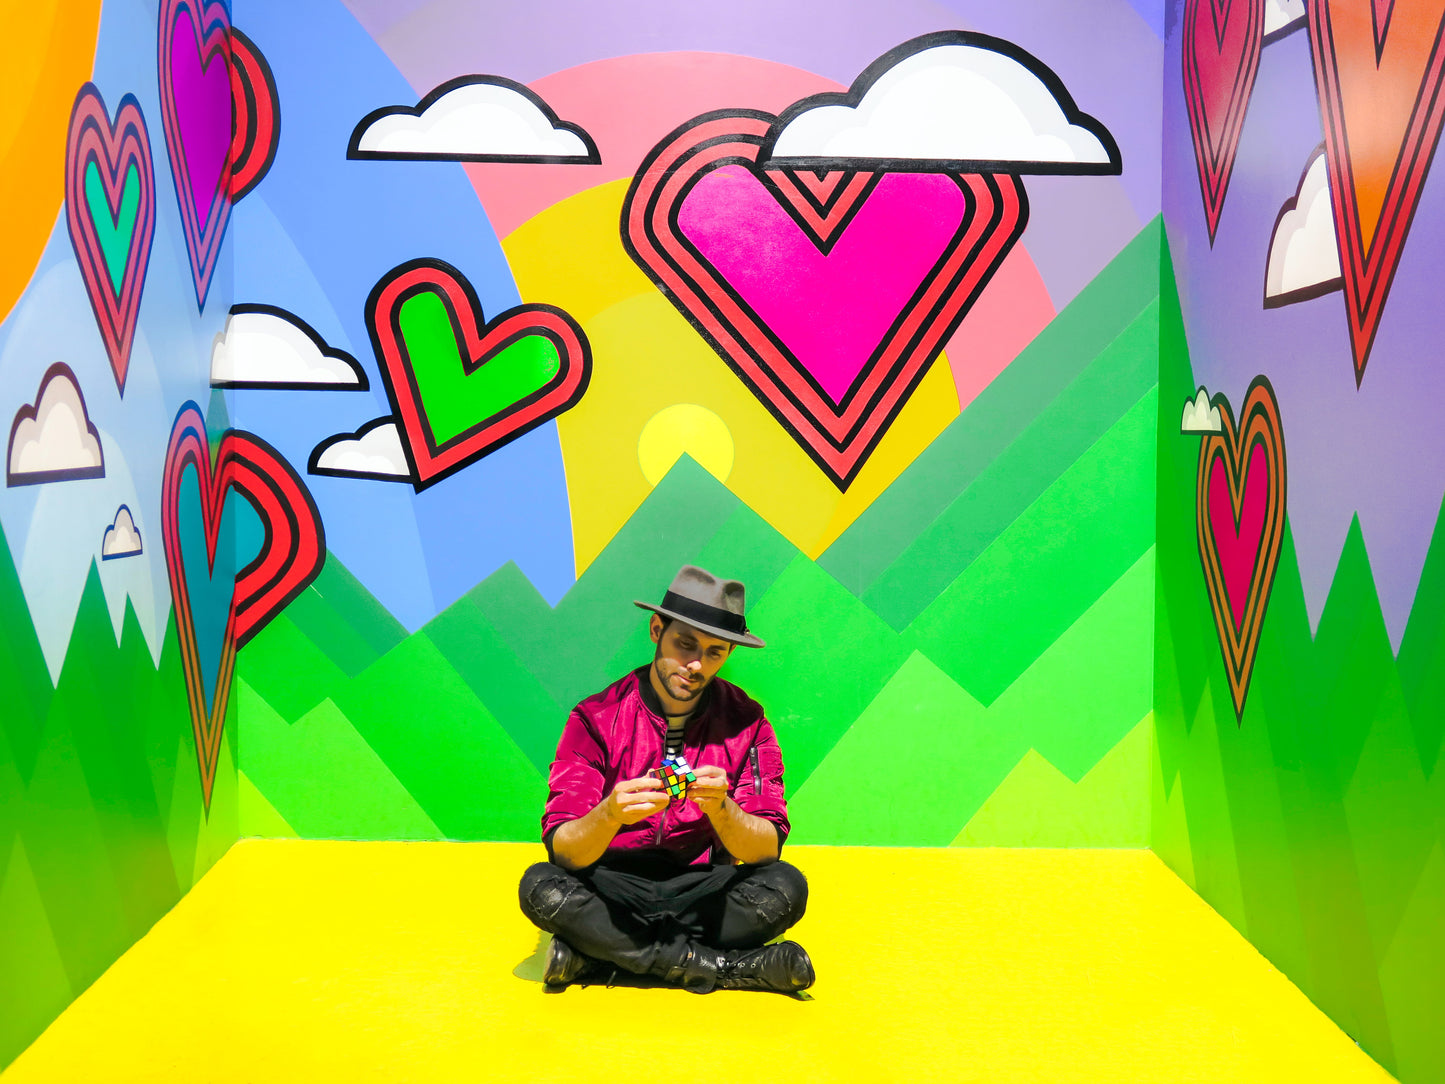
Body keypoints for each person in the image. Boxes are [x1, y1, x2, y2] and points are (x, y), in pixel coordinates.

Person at [517, 565, 814, 994]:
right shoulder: (595, 717)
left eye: (715, 652)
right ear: (657, 629)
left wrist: (723, 809)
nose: (695, 665)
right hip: (610, 888)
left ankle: (597, 956)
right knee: (540, 886)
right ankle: (722, 967)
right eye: (685, 644)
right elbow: (563, 850)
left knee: (787, 887)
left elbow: (767, 848)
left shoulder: (747, 723)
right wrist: (610, 813)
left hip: (701, 892)